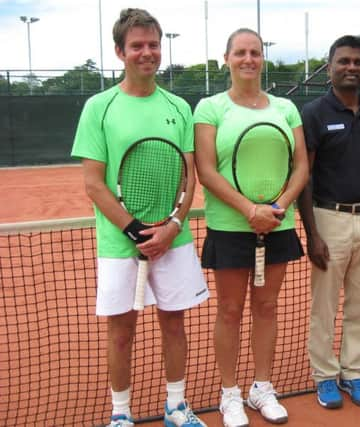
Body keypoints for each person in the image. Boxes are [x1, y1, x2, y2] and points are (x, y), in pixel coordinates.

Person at [71, 8, 208, 427]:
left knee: (174, 326)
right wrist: (133, 229)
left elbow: (190, 176)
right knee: (121, 333)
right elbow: (94, 183)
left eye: (153, 44)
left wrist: (171, 228)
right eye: (137, 46)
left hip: (173, 240)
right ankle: (121, 414)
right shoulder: (99, 107)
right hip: (119, 243)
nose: (146, 53)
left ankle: (177, 407)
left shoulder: (179, 107)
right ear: (120, 51)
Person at [193, 28, 308, 427]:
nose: (248, 59)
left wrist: (276, 207)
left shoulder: (286, 108)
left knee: (267, 306)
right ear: (226, 58)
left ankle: (262, 387)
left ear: (263, 58)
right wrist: (247, 208)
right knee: (228, 310)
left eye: (255, 52)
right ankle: (229, 394)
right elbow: (205, 169)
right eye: (240, 52)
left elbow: (301, 167)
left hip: (277, 224)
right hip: (229, 227)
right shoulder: (209, 107)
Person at [297, 35, 360, 409]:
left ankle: (354, 372)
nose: (351, 67)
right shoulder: (314, 113)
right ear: (330, 66)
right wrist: (312, 233)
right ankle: (324, 376)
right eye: (344, 61)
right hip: (328, 219)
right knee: (324, 306)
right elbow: (303, 176)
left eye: (357, 61)